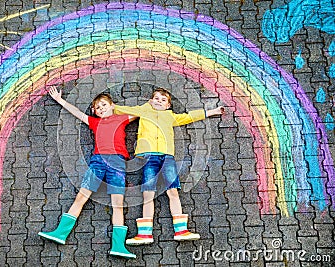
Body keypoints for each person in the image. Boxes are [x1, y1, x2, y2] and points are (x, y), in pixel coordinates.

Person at [114, 88, 224, 245]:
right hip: (149, 157)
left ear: (168, 106)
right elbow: (125, 110)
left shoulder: (170, 116)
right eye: (156, 98)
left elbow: (189, 117)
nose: (159, 101)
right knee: (148, 194)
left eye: (163, 100)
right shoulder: (144, 110)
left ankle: (181, 231)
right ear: (150, 101)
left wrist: (211, 112)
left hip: (167, 158)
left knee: (173, 192)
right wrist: (111, 107)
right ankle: (145, 234)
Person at [38, 86, 136, 259]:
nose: (101, 109)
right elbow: (76, 113)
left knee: (117, 205)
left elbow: (142, 112)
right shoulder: (95, 122)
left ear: (112, 106)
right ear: (95, 112)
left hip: (117, 164)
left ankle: (118, 246)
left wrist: (155, 105)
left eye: (104, 105)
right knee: (81, 197)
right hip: (98, 161)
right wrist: (60, 100)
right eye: (98, 108)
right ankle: (60, 233)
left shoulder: (121, 119)